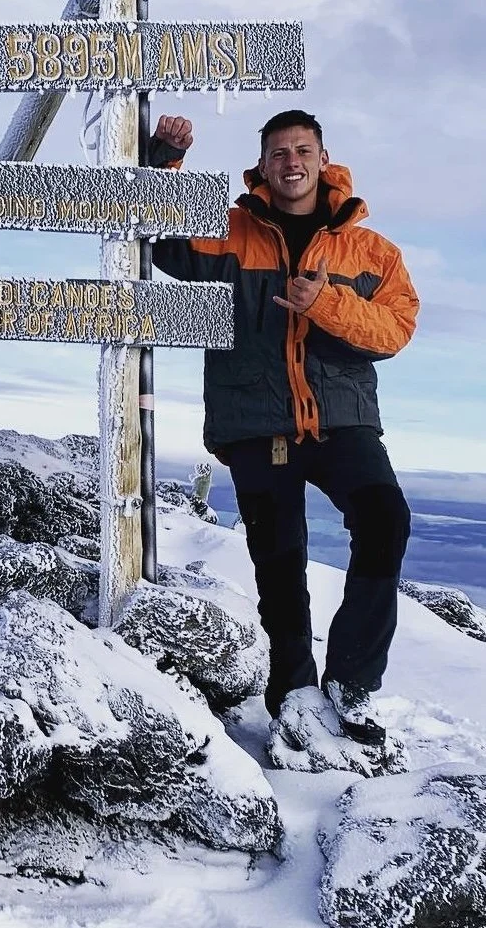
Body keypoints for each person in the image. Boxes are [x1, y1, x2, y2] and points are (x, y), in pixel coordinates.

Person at [149, 109, 418, 743]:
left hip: (342, 424)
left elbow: (395, 329)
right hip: (257, 422)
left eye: (302, 150)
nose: (291, 161)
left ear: (324, 159)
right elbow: (163, 242)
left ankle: (351, 681)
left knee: (385, 520)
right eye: (278, 152)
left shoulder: (373, 251)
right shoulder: (232, 228)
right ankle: (293, 688)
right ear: (263, 165)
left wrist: (323, 302)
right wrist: (164, 158)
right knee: (279, 558)